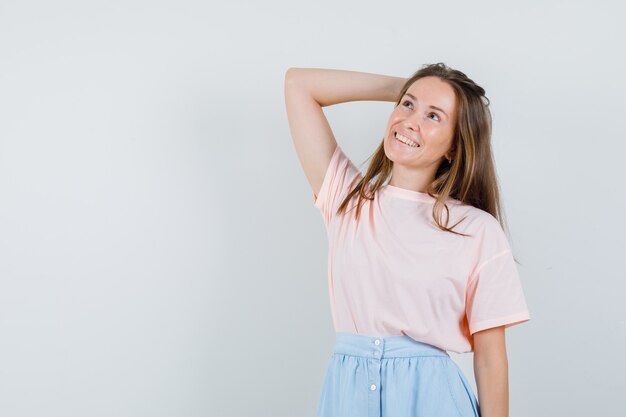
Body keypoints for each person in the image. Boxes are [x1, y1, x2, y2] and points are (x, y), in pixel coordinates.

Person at [283, 63, 531, 417]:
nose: (411, 120)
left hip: (433, 398)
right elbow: (298, 84)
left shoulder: (477, 229)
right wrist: (406, 88)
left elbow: (491, 357)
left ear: (453, 147)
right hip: (346, 395)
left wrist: (416, 94)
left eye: (434, 116)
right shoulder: (347, 200)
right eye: (408, 105)